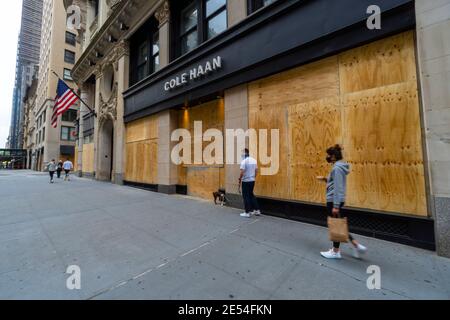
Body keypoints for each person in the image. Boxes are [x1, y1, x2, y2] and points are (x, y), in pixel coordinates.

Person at [317, 144, 367, 259]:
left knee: (336, 225)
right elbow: (334, 183)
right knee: (338, 224)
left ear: (334, 156)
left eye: (329, 155)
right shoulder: (338, 167)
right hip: (336, 200)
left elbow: (338, 187)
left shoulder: (337, 168)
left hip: (334, 200)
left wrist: (335, 206)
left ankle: (335, 251)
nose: (327, 157)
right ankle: (356, 245)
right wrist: (325, 179)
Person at [239, 148, 261, 218]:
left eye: (242, 153)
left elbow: (242, 172)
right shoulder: (254, 160)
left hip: (246, 181)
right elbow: (256, 170)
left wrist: (240, 178)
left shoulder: (244, 161)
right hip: (252, 181)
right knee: (251, 195)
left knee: (246, 196)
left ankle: (247, 212)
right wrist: (253, 177)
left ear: (245, 153)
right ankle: (257, 210)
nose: (241, 154)